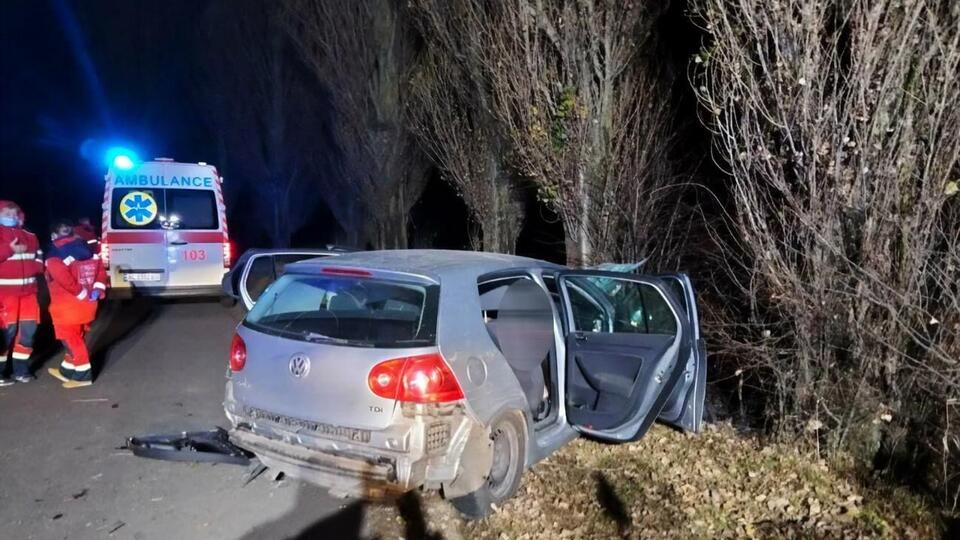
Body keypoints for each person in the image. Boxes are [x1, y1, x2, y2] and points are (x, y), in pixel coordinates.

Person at [44, 218, 107, 388]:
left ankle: (83, 376)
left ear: (54, 235)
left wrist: (81, 294)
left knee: (71, 341)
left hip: (67, 307)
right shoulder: (88, 249)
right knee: (77, 336)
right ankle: (66, 371)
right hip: (88, 304)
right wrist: (97, 290)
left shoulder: (54, 255)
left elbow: (64, 280)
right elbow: (101, 271)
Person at [0, 200, 43, 386]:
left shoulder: (30, 235)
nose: (11, 217)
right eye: (6, 213)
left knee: (28, 332)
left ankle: (21, 370)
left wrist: (37, 268)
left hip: (29, 293)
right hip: (5, 293)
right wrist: (9, 249)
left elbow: (39, 254)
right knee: (4, 334)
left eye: (13, 213)